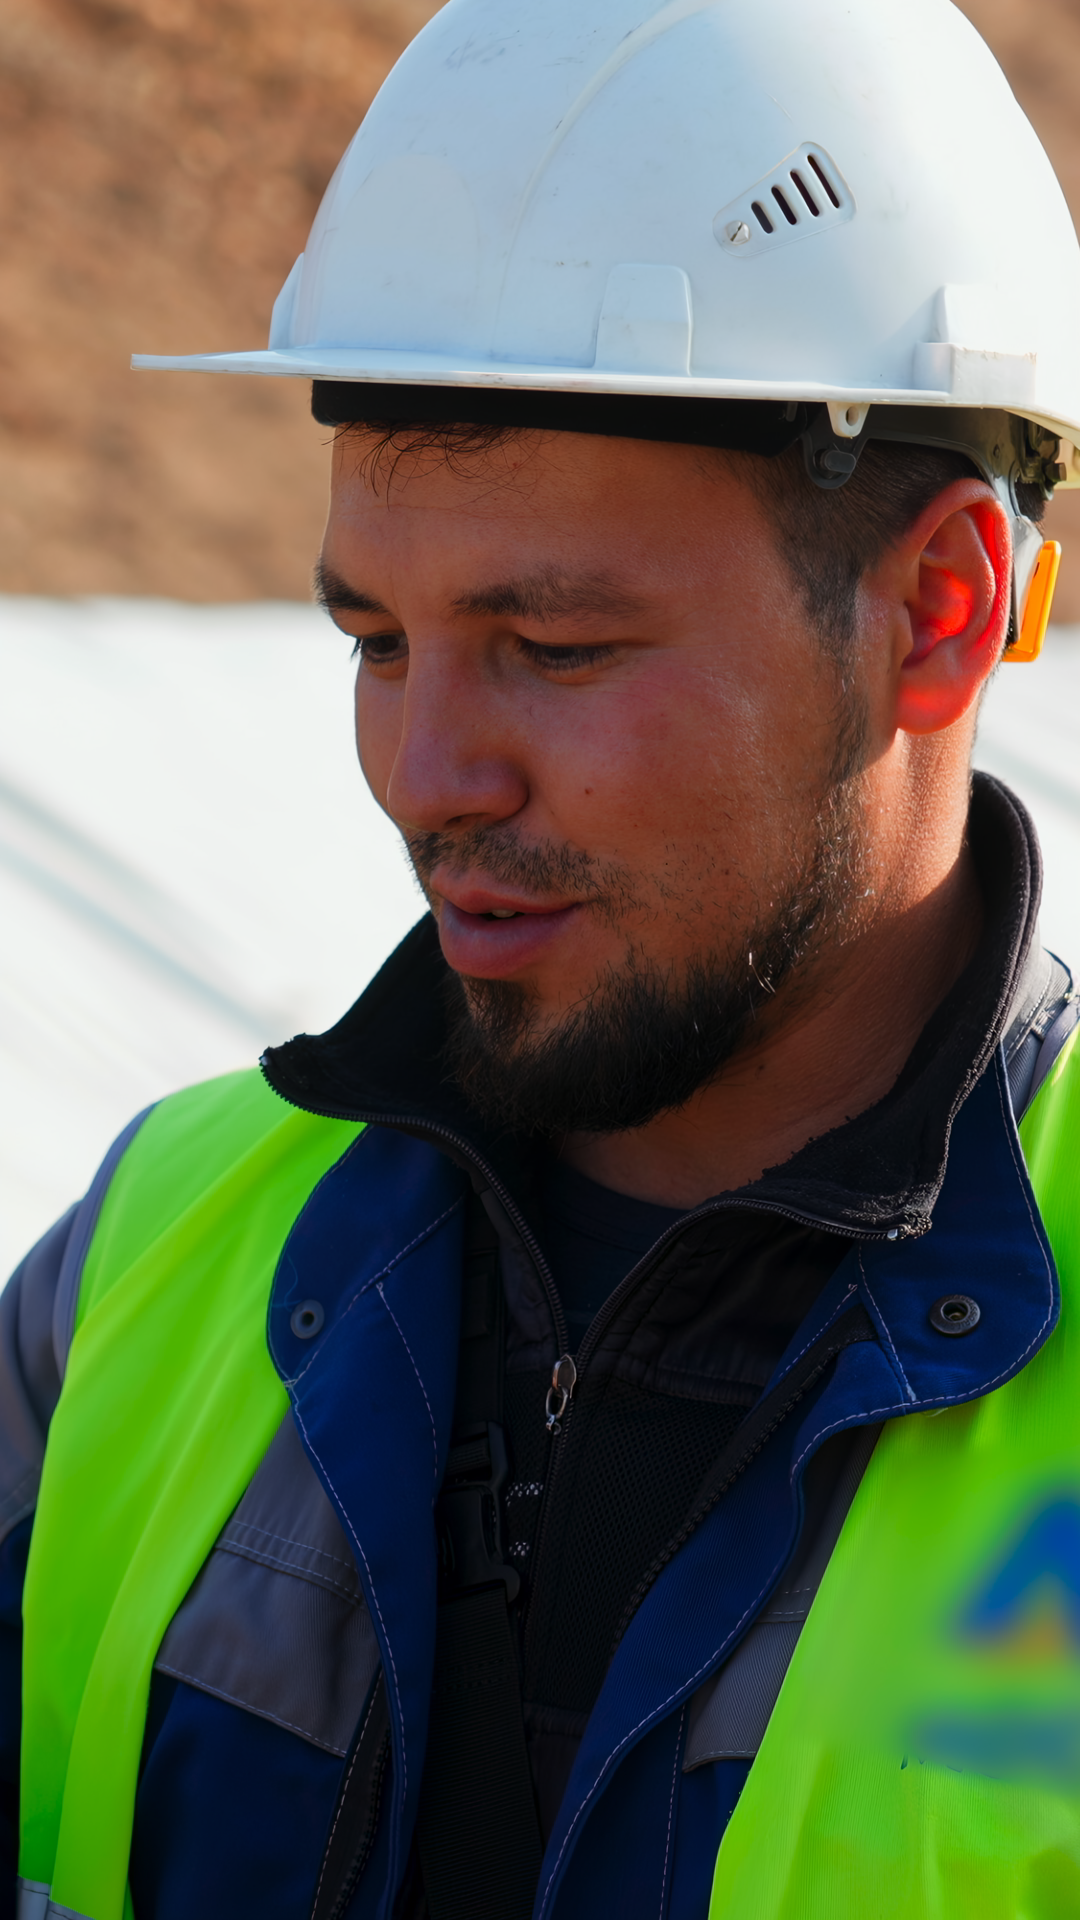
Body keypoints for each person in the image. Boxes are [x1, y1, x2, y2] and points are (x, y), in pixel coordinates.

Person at [7, 0, 1080, 1914]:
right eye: (376, 642)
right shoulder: (148, 1262)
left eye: (557, 650)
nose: (426, 776)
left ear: (940, 610)